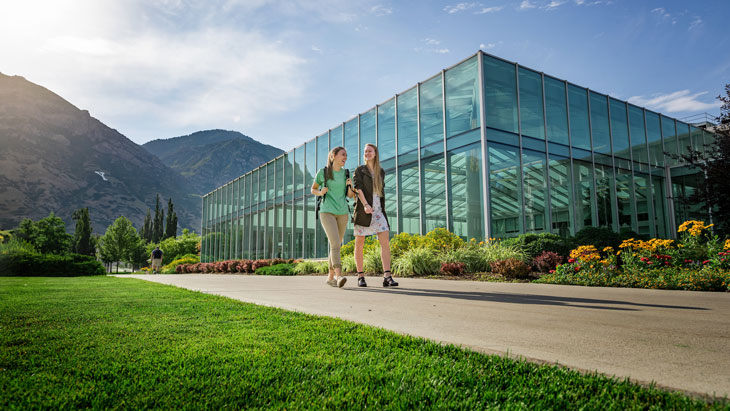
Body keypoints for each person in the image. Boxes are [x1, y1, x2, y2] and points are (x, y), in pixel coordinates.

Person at [352, 143, 398, 288]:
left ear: (375, 153)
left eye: (370, 151)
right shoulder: (359, 170)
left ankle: (387, 276)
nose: (367, 154)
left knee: (385, 242)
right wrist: (365, 205)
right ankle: (360, 276)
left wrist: (376, 207)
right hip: (364, 211)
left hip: (378, 211)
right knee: (360, 243)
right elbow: (357, 188)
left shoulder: (381, 171)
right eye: (365, 152)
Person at [311, 147, 355, 288]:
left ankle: (330, 278)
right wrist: (320, 192)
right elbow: (313, 189)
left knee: (336, 245)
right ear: (333, 156)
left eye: (346, 155)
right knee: (335, 243)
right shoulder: (323, 172)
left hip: (342, 212)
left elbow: (350, 196)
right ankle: (338, 275)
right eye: (343, 155)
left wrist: (350, 186)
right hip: (327, 211)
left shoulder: (346, 174)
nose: (345, 157)